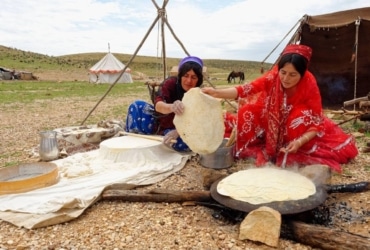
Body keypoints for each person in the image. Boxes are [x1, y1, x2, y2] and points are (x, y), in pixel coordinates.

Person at [202, 44, 358, 172]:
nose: (286, 79)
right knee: (247, 112)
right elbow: (246, 89)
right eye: (283, 72)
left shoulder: (309, 85)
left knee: (300, 117)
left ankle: (287, 142)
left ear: (302, 74)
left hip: (295, 121)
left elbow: (316, 122)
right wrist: (216, 93)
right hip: (271, 116)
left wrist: (299, 142)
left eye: (292, 75)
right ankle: (267, 138)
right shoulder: (273, 76)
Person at [125, 56, 204, 152]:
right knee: (136, 106)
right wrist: (172, 106)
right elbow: (158, 105)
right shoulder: (171, 83)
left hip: (178, 129)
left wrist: (179, 131)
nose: (189, 81)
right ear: (180, 76)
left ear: (198, 79)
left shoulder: (200, 95)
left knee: (186, 143)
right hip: (158, 121)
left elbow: (198, 121)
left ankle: (157, 140)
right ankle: (136, 141)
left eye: (194, 77)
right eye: (186, 76)